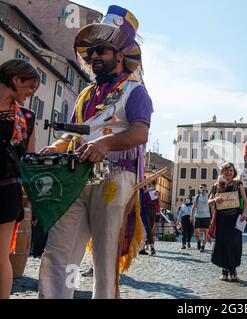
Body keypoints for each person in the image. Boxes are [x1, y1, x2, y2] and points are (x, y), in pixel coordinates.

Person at [38, 5, 153, 299]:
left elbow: (140, 133)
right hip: (76, 176)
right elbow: (74, 133)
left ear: (119, 54)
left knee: (105, 259)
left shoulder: (134, 91)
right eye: (91, 52)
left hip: (115, 179)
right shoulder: (86, 94)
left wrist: (105, 145)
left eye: (101, 50)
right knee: (59, 250)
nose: (93, 57)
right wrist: (57, 146)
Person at [0, 59, 39, 299]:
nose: (31, 93)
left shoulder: (27, 117)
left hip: (6, 191)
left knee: (0, 255)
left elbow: (30, 159)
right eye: (30, 87)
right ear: (16, 79)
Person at [209, 162, 247, 282]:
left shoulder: (238, 184)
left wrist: (245, 213)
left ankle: (233, 270)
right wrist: (215, 199)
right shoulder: (217, 186)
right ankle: (224, 271)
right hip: (221, 219)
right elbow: (209, 202)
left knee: (234, 244)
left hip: (235, 219)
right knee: (222, 244)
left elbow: (245, 201)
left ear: (234, 172)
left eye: (231, 170)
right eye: (226, 170)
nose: (229, 173)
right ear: (222, 172)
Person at [191, 184, 211, 252]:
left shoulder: (209, 196)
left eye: (201, 187)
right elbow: (193, 207)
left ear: (205, 188)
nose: (200, 188)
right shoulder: (197, 196)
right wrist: (191, 216)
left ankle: (203, 246)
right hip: (198, 216)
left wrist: (213, 217)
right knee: (196, 233)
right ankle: (198, 240)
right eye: (199, 187)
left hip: (206, 217)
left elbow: (212, 207)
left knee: (206, 233)